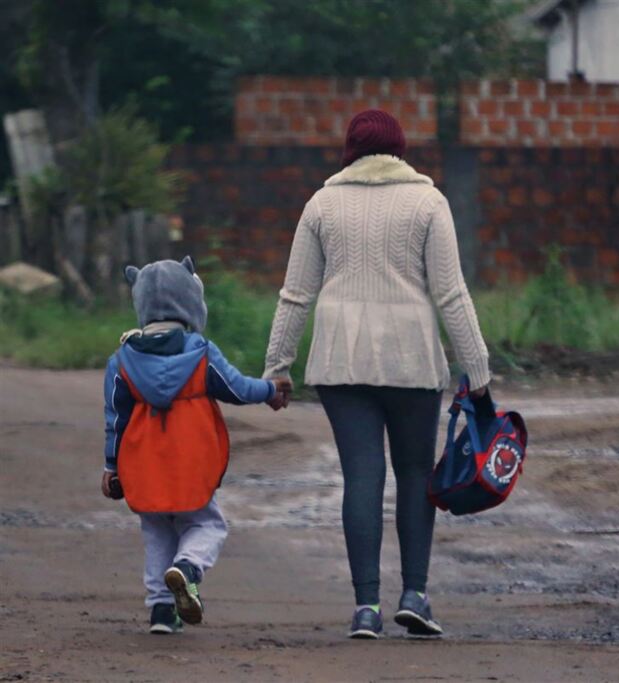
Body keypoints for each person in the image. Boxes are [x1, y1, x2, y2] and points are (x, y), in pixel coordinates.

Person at [263, 109, 491, 639]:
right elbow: (451, 293)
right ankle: (415, 595)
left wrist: (277, 367)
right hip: (411, 362)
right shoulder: (428, 202)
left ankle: (366, 607)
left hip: (341, 364)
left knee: (362, 476)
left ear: (350, 150)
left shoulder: (321, 204)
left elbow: (296, 294)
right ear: (400, 149)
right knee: (415, 473)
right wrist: (477, 368)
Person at [101, 256, 288, 634]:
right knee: (207, 524)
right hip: (191, 459)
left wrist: (111, 466)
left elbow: (116, 419)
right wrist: (271, 390)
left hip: (143, 463)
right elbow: (237, 388)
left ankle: (160, 611)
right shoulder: (200, 352)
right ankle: (187, 567)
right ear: (190, 299)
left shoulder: (121, 361)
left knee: (156, 532)